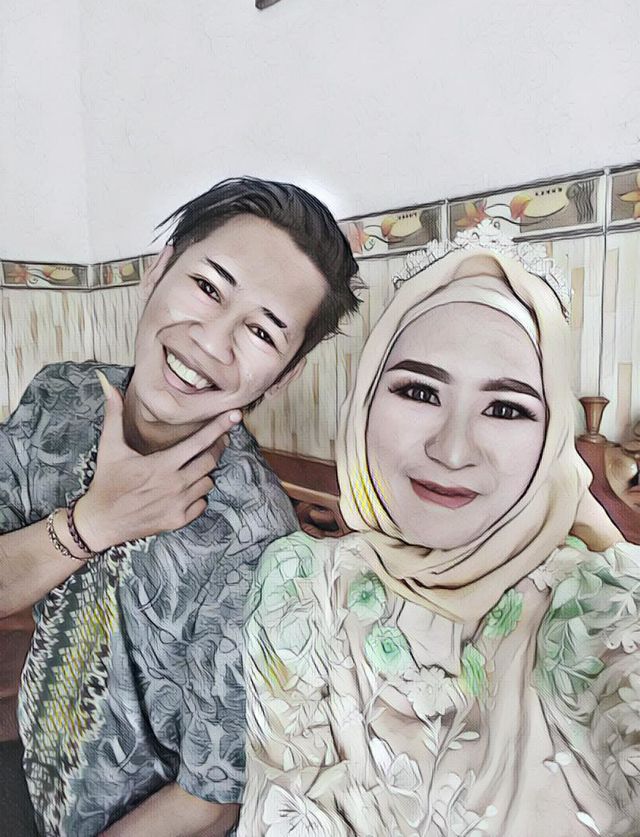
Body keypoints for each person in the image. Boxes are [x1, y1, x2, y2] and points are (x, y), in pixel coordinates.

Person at [239, 241, 640, 836]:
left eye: (506, 409)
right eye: (420, 392)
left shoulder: (595, 609)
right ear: (364, 402)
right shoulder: (304, 586)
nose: (452, 452)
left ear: (551, 439)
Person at [0, 176, 360, 836]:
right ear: (159, 269)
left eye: (262, 331)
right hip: (35, 775)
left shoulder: (256, 545)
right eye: (208, 287)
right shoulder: (60, 400)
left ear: (283, 376)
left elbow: (210, 798)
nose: (211, 341)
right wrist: (93, 523)